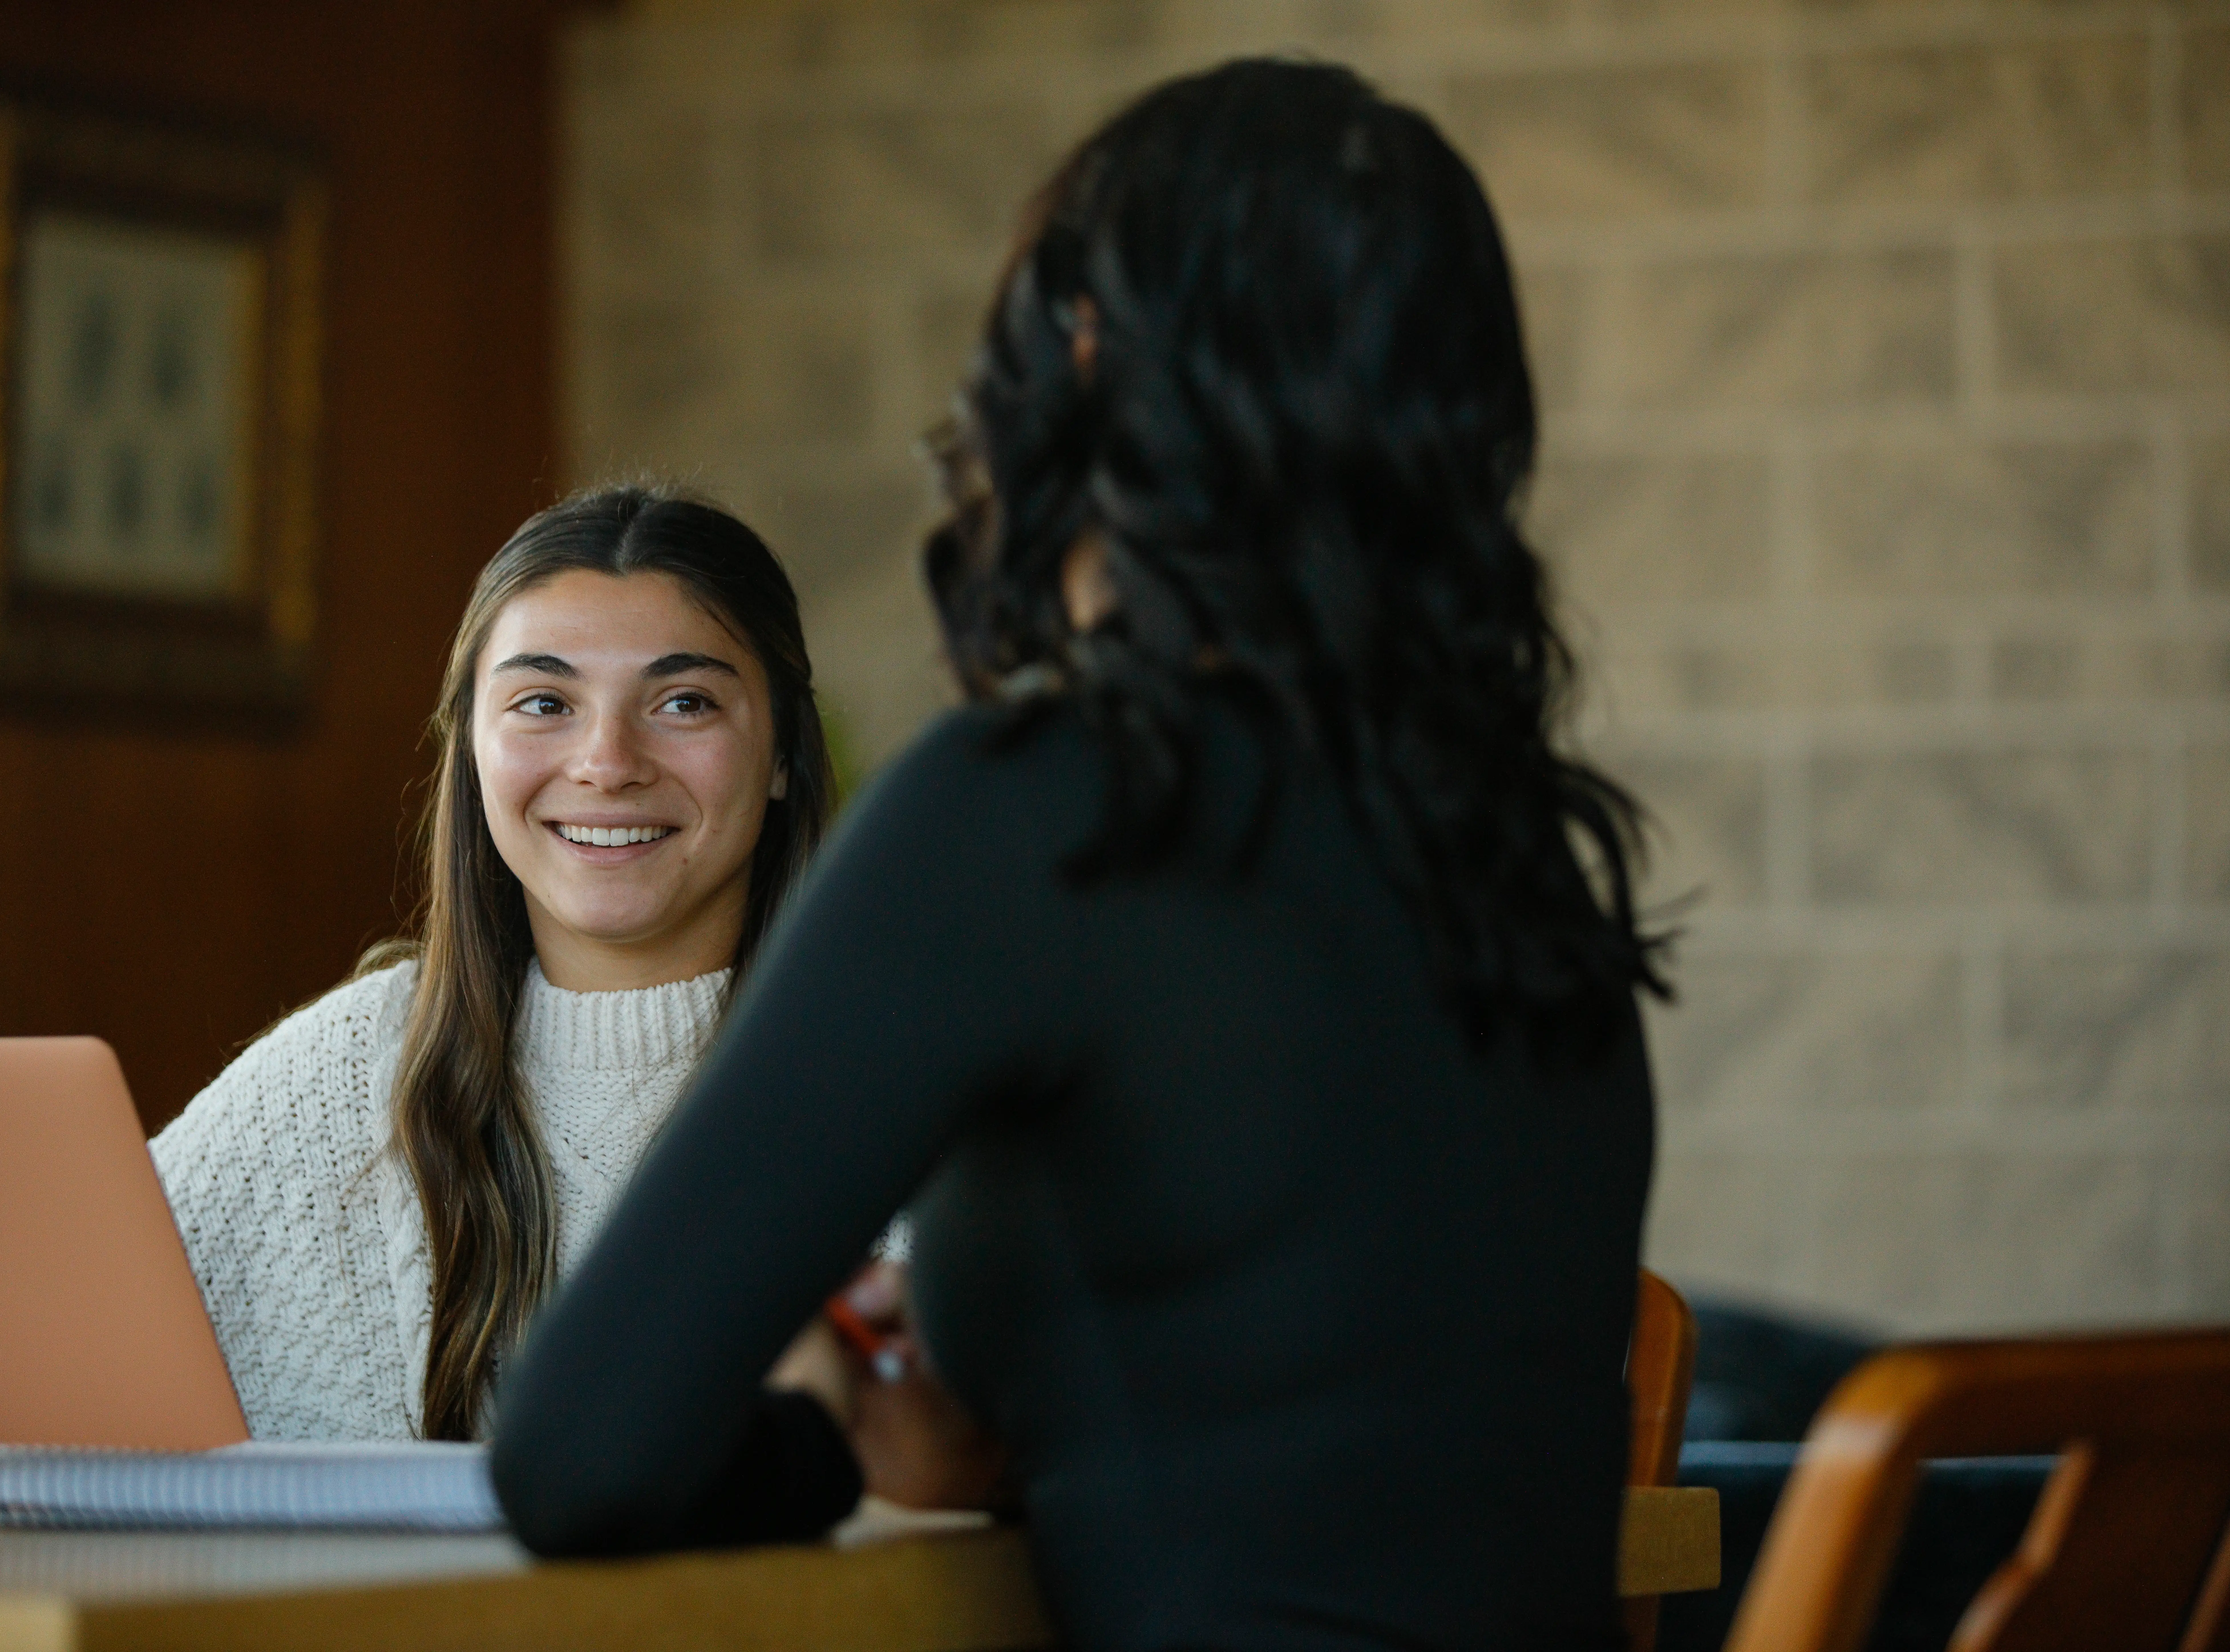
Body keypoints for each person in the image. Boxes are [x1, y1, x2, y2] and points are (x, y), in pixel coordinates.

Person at [490, 58, 1668, 1652]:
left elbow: (575, 1457)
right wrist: (1015, 1395)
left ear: (1088, 362)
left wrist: (829, 1430)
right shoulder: (1518, 859)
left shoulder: (1036, 811)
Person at [150, 488, 834, 1441]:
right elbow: (62, 1331)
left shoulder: (903, 1082)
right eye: (544, 703)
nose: (607, 762)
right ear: (471, 749)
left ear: (780, 758)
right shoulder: (337, 1073)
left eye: (684, 702)